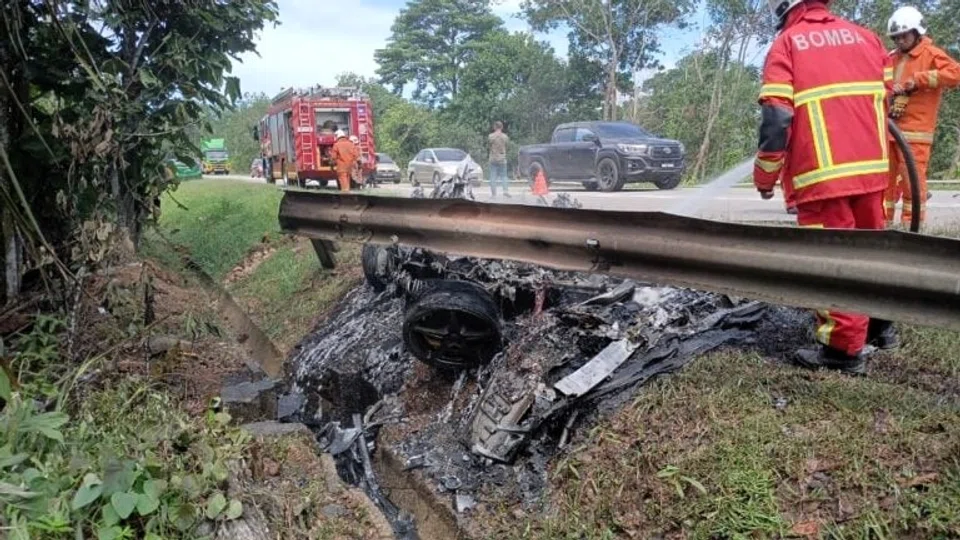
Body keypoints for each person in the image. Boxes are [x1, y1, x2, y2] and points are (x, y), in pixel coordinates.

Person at [753, 0, 898, 374]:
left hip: (822, 172)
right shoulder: (867, 37)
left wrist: (766, 174)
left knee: (831, 260)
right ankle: (880, 325)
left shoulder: (788, 42)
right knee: (870, 251)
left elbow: (777, 116)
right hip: (872, 169)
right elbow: (886, 96)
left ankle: (842, 351)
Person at [883, 6, 960, 227]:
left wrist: (919, 80)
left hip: (915, 134)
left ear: (918, 32)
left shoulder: (931, 54)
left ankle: (911, 228)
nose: (899, 41)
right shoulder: (892, 57)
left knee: (912, 185)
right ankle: (881, 226)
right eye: (895, 37)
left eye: (903, 36)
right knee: (883, 185)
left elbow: (955, 74)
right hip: (889, 132)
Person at [488, 121, 510, 197]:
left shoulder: (490, 136)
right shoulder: (505, 137)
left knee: (493, 176)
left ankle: (494, 194)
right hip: (502, 159)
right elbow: (507, 146)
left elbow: (489, 146)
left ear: (495, 127)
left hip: (493, 158)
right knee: (504, 176)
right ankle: (505, 191)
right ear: (502, 127)